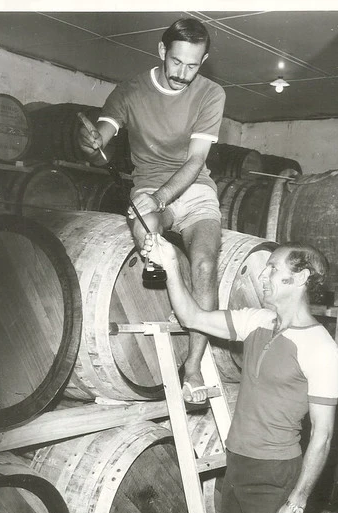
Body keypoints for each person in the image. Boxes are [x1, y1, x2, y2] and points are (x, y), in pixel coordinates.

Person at [142, 233, 338, 513]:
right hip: (239, 463)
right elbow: (193, 318)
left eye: (273, 268)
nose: (263, 276)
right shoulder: (257, 321)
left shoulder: (321, 349)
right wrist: (168, 266)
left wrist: (297, 504)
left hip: (275, 473)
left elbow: (322, 436)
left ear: (300, 278)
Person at [78, 18, 226, 405]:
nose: (183, 74)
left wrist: (160, 199)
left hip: (193, 190)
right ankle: (160, 262)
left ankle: (192, 366)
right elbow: (98, 151)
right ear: (162, 51)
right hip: (148, 186)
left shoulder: (211, 93)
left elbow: (196, 161)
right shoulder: (130, 91)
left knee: (206, 265)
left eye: (193, 66)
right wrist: (90, 144)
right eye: (177, 62)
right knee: (150, 240)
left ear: (204, 60)